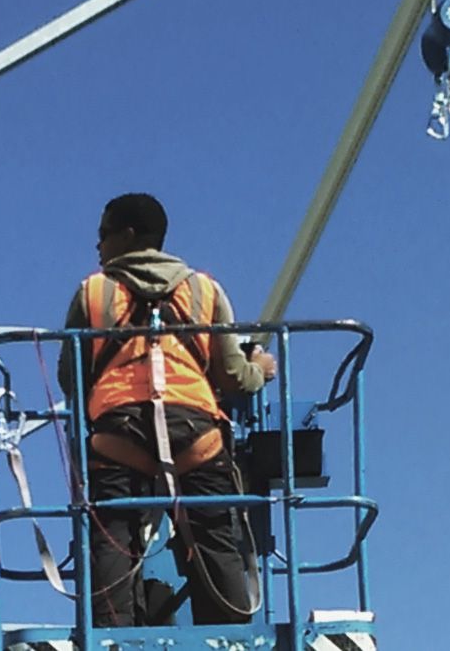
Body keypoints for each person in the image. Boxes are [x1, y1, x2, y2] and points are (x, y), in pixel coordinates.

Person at [58, 192, 277, 627]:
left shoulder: (93, 293)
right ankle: (228, 636)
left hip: (119, 434)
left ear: (129, 235)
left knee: (112, 536)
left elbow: (71, 378)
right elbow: (233, 378)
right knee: (214, 537)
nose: (97, 246)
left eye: (102, 235)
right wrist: (260, 369)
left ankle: (115, 637)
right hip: (196, 433)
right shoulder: (205, 291)